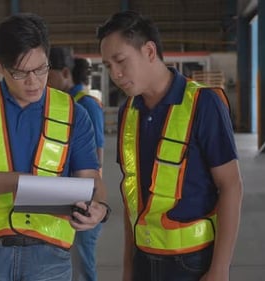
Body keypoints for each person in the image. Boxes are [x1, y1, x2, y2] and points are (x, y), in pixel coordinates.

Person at [0, 13, 111, 281]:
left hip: (50, 257)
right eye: (20, 72)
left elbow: (90, 178)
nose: (33, 81)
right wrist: (20, 182)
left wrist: (99, 206)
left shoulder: (73, 113)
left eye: (41, 69)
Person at [97, 10, 243, 281]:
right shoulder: (128, 111)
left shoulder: (203, 103)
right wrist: (128, 268)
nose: (115, 74)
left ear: (149, 51)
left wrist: (220, 269)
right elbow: (134, 199)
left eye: (120, 61)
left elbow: (230, 185)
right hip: (143, 259)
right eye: (107, 66)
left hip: (192, 262)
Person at [47, 47, 105, 281]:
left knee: (83, 264)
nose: (44, 82)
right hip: (65, 193)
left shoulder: (86, 104)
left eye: (48, 75)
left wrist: (92, 195)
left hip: (84, 196)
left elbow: (97, 153)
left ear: (64, 73)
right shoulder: (62, 102)